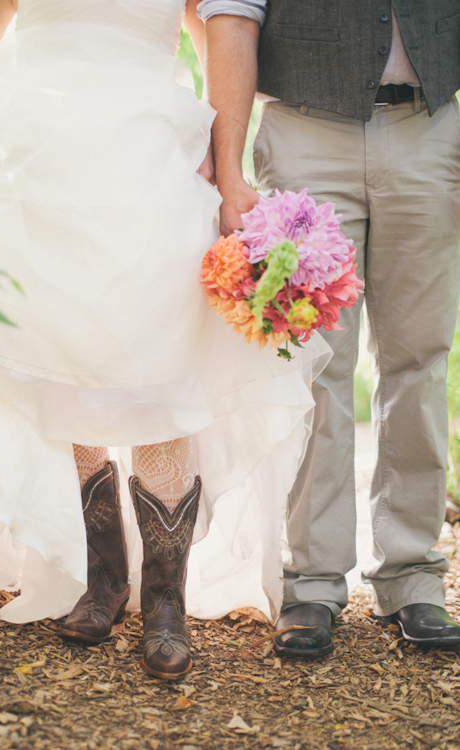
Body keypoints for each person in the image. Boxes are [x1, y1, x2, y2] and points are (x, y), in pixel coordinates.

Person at [0, 0, 330, 680]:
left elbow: (217, 40)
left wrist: (225, 162)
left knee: (156, 359)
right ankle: (105, 581)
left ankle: (166, 604)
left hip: (147, 162)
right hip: (39, 168)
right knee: (66, 353)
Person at [201, 0, 460, 656]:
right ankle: (311, 578)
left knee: (420, 355)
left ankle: (412, 574)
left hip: (431, 127)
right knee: (314, 360)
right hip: (304, 131)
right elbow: (232, 13)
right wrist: (228, 170)